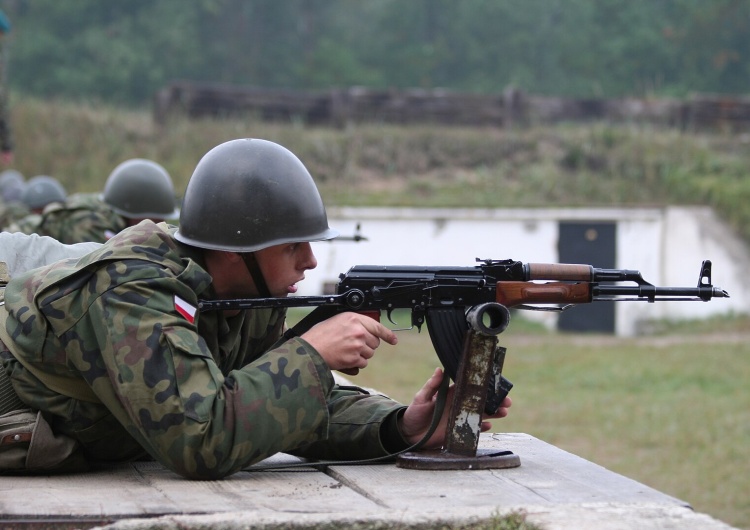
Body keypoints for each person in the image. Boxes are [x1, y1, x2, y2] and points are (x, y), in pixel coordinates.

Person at [0, 138, 511, 478]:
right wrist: (311, 353)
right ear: (231, 249)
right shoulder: (132, 291)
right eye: (293, 247)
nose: (310, 261)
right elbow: (199, 438)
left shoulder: (245, 296)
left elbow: (274, 405)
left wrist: (400, 426)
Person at [29, 158, 179, 244]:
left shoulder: (110, 210)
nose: (161, 224)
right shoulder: (91, 224)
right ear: (135, 213)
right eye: (158, 217)